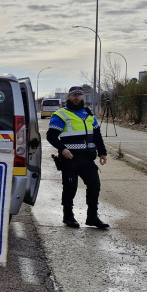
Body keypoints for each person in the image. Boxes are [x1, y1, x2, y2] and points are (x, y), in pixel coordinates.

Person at [46, 86, 110, 229]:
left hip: (87, 158)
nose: (76, 98)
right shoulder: (61, 114)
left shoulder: (88, 114)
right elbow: (51, 136)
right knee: (70, 188)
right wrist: (62, 149)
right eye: (73, 95)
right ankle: (68, 216)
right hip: (70, 160)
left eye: (79, 95)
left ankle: (92, 217)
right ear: (68, 97)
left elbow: (97, 135)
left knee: (94, 185)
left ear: (82, 97)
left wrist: (102, 153)